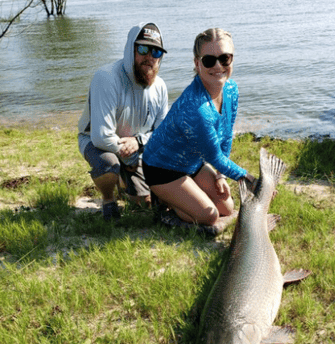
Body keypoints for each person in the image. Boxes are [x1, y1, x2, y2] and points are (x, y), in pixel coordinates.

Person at [142, 28, 257, 232]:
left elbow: (226, 136)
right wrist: (249, 179)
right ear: (197, 63)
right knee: (209, 216)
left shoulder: (231, 90)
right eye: (209, 60)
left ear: (232, 59)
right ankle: (164, 201)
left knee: (227, 208)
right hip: (161, 168)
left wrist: (221, 176)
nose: (218, 66)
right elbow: (214, 155)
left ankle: (181, 196)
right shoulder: (196, 108)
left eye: (225, 58)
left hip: (191, 163)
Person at [78, 22, 168, 221]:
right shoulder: (106, 78)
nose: (149, 57)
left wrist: (138, 142)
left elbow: (163, 132)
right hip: (97, 143)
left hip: (136, 147)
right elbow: (100, 137)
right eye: (143, 48)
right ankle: (108, 199)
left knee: (144, 204)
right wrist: (128, 156)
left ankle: (124, 183)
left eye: (156, 52)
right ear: (131, 48)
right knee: (108, 165)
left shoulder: (160, 87)